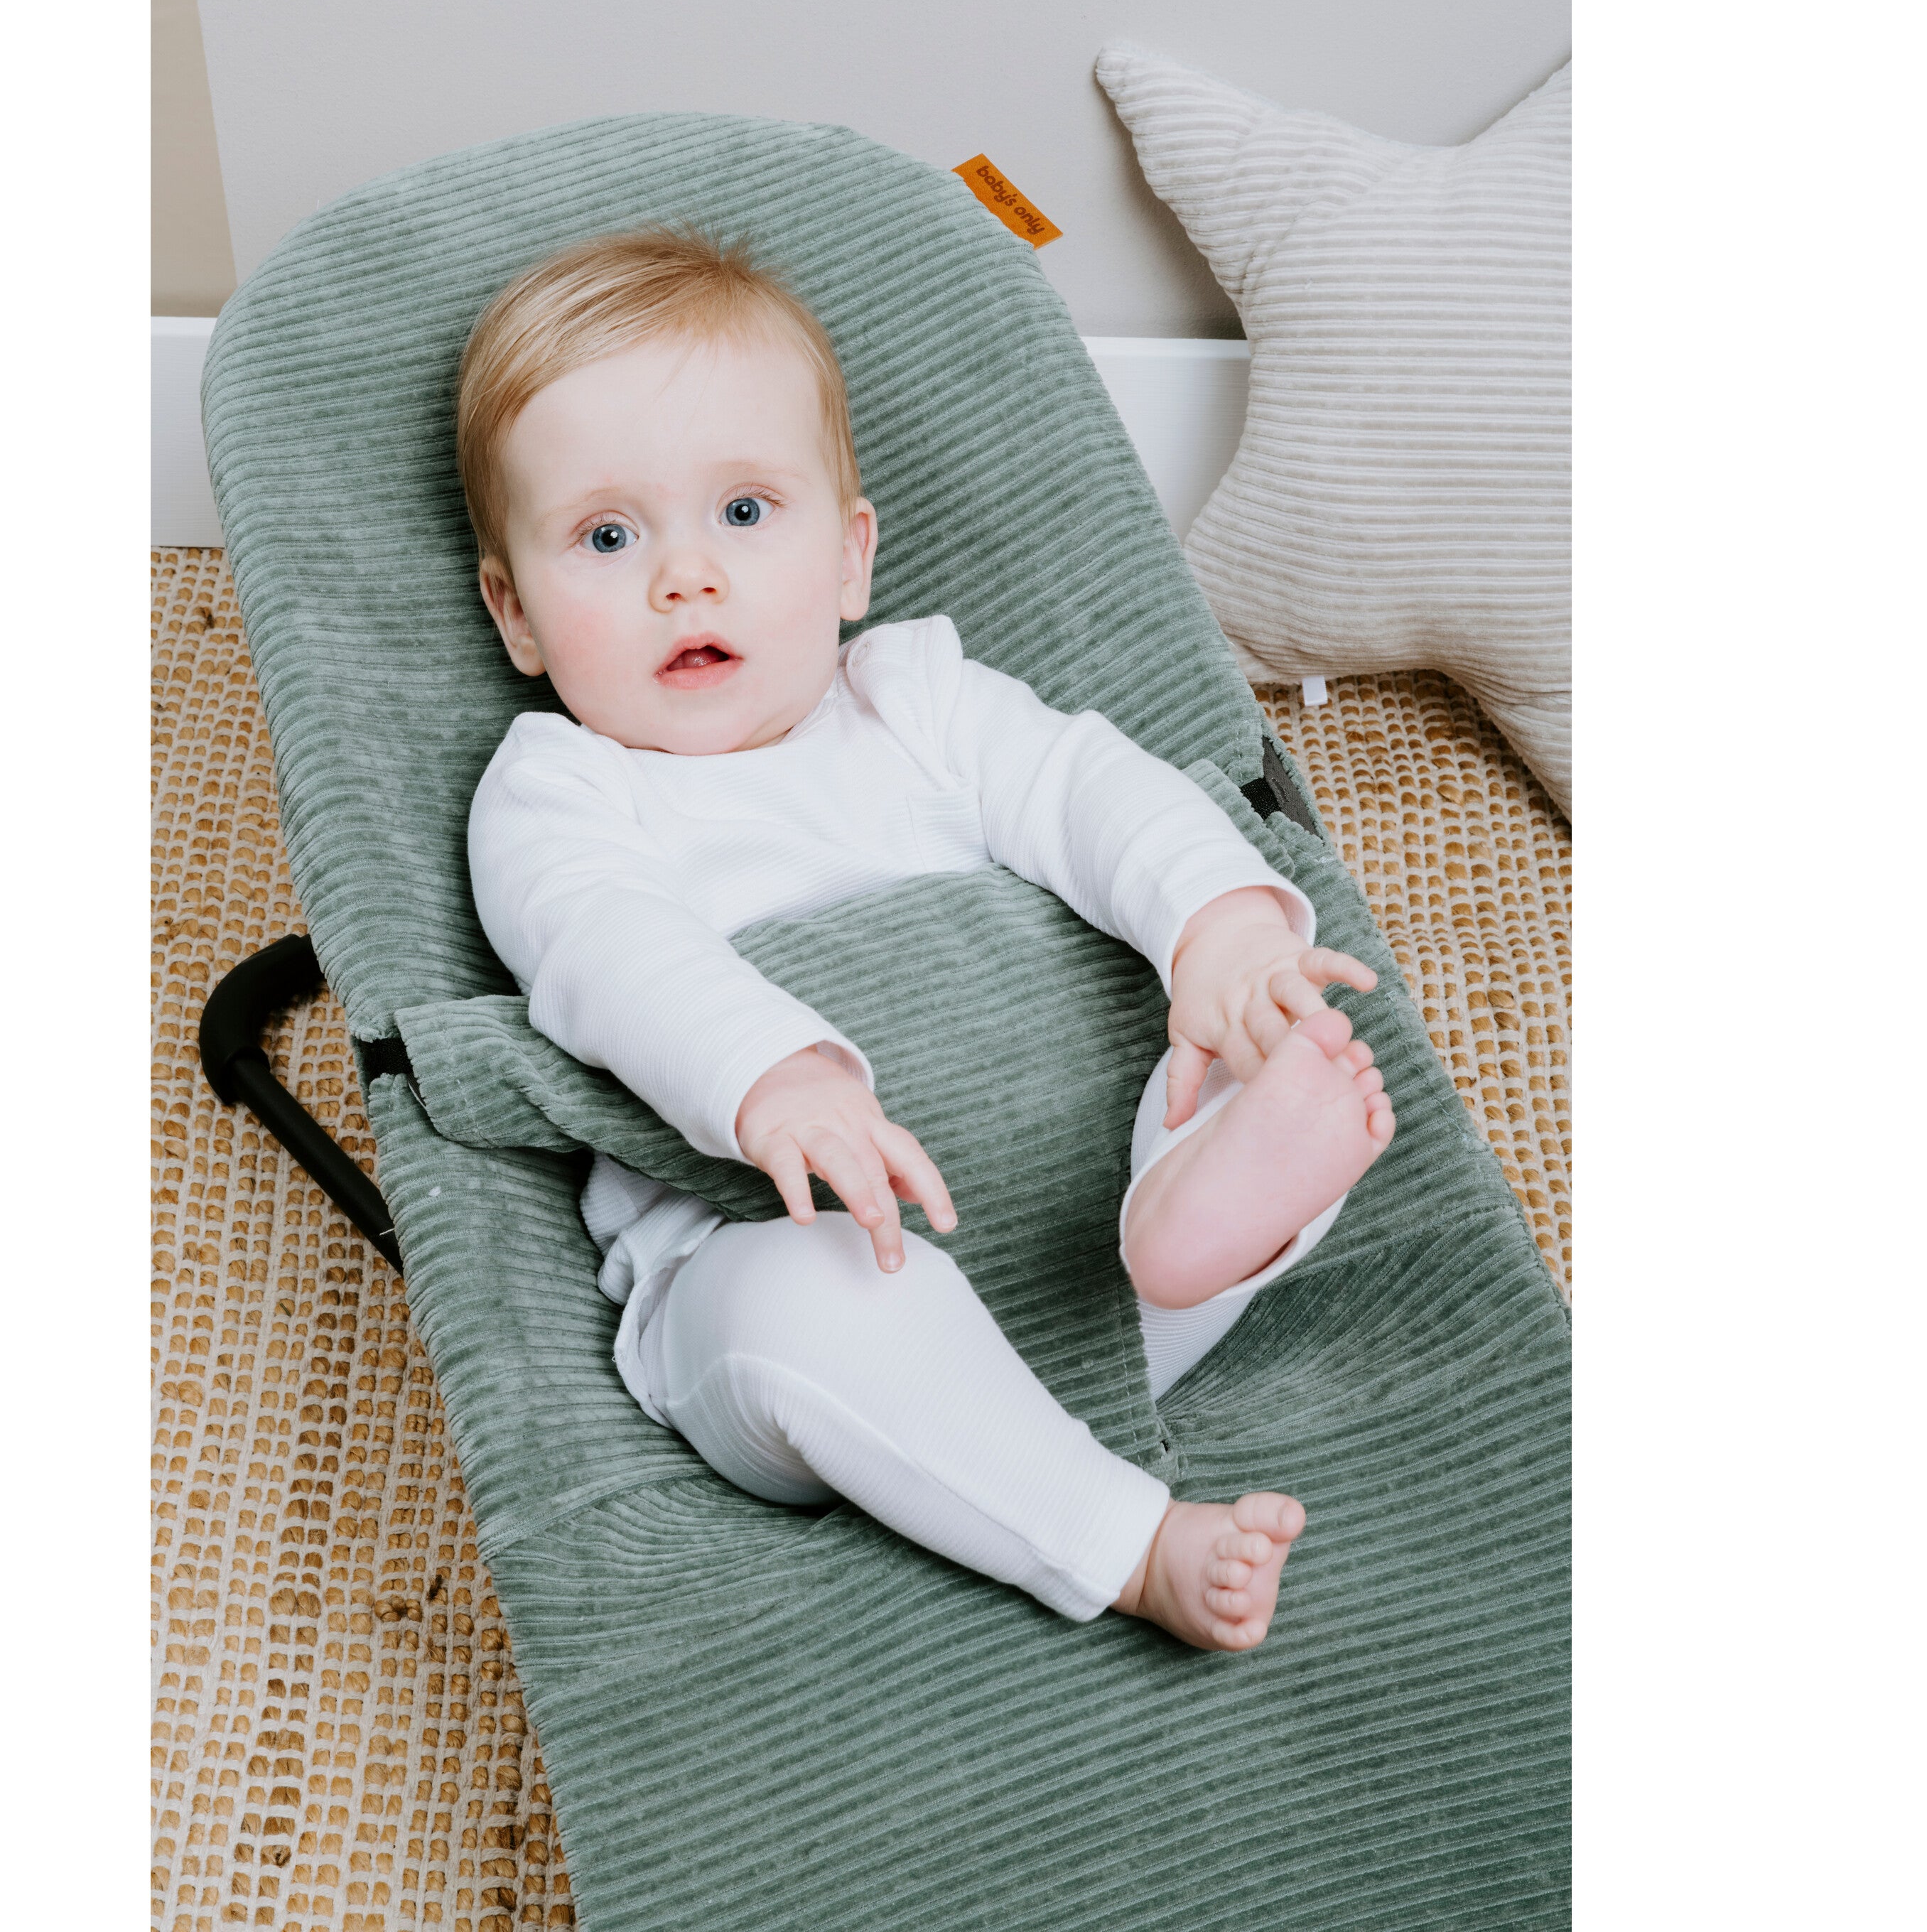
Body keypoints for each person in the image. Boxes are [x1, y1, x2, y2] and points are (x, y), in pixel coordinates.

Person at [459, 229, 1394, 1650]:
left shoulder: (921, 702)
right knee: (794, 1307)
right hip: (793, 1259)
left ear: (852, 559)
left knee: (1276, 1056)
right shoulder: (563, 791)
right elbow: (605, 949)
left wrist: (1220, 933)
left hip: (1079, 1252)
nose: (685, 578)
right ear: (516, 612)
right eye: (607, 538)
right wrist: (774, 1073)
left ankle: (1189, 1221)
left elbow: (1095, 791)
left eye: (745, 513)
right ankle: (1125, 1538)